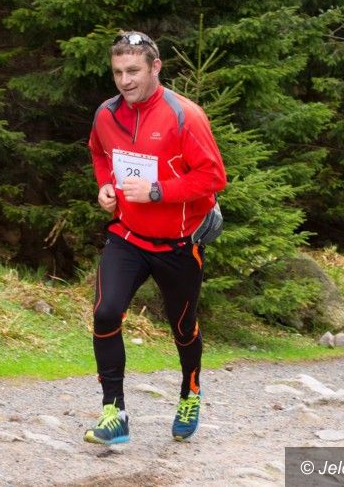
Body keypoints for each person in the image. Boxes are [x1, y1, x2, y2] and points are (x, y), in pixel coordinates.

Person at [84, 30, 227, 445]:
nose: (125, 81)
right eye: (117, 72)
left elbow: (213, 177)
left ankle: (190, 392)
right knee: (106, 312)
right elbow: (99, 152)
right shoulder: (106, 114)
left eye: (133, 71)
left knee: (183, 326)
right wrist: (105, 186)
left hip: (178, 244)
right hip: (127, 236)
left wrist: (158, 191)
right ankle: (114, 413)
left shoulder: (185, 115)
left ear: (155, 68)